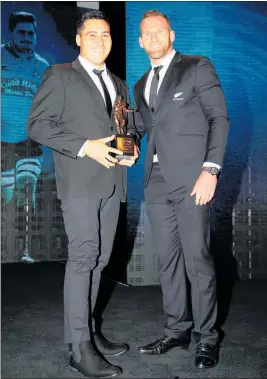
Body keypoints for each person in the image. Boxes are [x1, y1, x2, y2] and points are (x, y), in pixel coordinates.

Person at [28, 10, 138, 378]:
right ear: (78, 39)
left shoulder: (119, 84)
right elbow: (38, 125)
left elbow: (128, 128)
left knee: (101, 260)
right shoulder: (59, 75)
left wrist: (132, 147)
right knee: (83, 257)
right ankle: (78, 348)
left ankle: (88, 332)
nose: (99, 40)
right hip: (78, 183)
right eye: (92, 34)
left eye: (105, 35)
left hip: (112, 184)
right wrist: (84, 146)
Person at [133, 10, 229, 369]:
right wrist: (126, 147)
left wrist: (211, 169)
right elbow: (143, 129)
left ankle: (207, 338)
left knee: (197, 258)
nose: (154, 38)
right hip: (156, 182)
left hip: (193, 179)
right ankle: (176, 329)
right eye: (147, 34)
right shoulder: (141, 84)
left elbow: (219, 117)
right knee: (167, 260)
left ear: (171, 34)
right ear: (140, 42)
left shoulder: (196, 66)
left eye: (159, 31)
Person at [1, 11, 49, 263]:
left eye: (31, 33)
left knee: (27, 191)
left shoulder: (42, 67)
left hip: (29, 142)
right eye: (21, 32)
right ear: (11, 33)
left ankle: (26, 252)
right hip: (2, 142)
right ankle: (6, 248)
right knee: (6, 196)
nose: (27, 37)